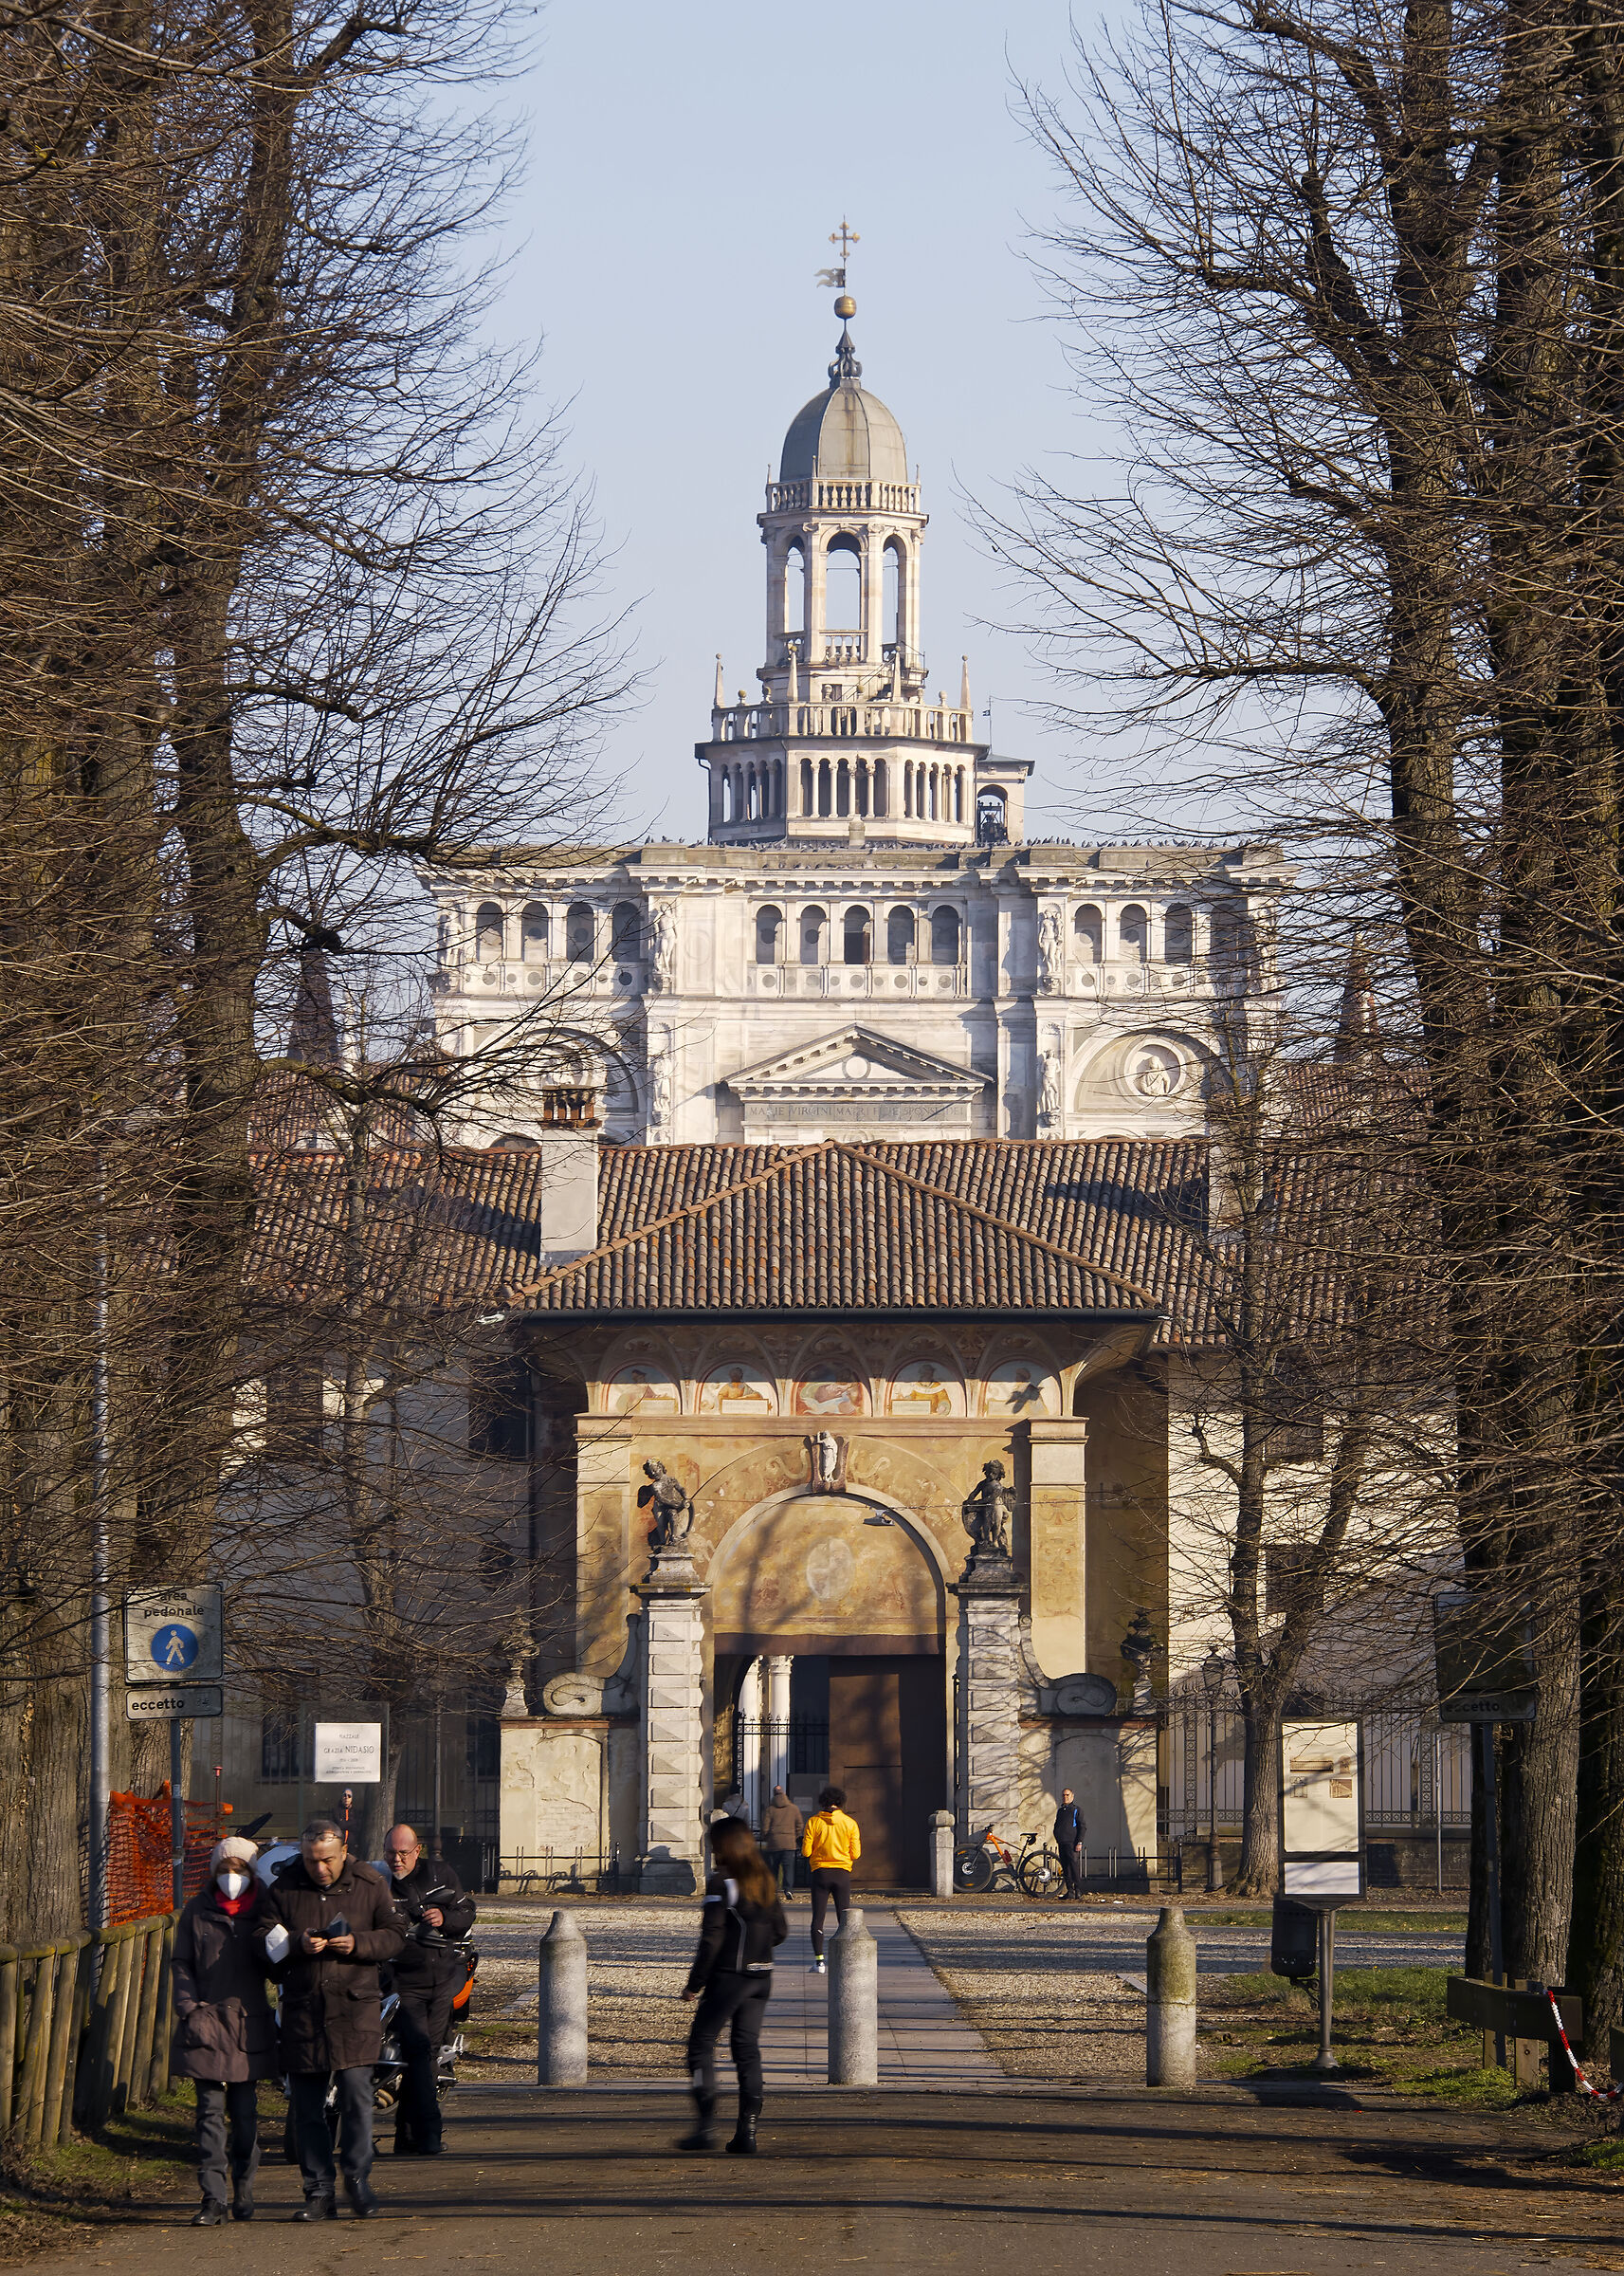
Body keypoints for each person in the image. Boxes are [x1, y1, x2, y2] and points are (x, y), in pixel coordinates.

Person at [258, 1816, 405, 2220]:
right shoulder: (284, 1888)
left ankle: (357, 2179)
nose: (319, 1868)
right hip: (304, 2012)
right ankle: (318, 2192)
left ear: (343, 1851)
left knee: (357, 2100)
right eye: (311, 1860)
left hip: (354, 2010)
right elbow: (262, 1938)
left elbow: (395, 1934)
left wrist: (357, 1943)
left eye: (326, 1859)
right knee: (307, 2109)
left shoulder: (370, 1884)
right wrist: (296, 1944)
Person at [171, 1837, 279, 2226]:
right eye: (224, 1869)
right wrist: (189, 2007)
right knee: (209, 2115)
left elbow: (277, 1967)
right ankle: (213, 2198)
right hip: (206, 2024)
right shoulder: (197, 1909)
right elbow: (181, 1961)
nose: (232, 1877)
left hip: (248, 2027)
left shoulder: (266, 1910)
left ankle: (244, 2187)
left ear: (251, 1871)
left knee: (245, 2116)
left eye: (239, 1869)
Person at [679, 1816, 786, 2157]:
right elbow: (780, 1931)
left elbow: (711, 1937)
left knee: (700, 2045)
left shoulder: (721, 1882)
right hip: (761, 1975)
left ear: (721, 1847)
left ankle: (705, 2127)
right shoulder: (764, 1879)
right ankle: (747, 2132)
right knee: (746, 2049)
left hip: (730, 1976)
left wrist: (695, 1983)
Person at [382, 1824, 476, 2157]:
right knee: (419, 2053)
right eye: (390, 1853)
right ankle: (425, 2135)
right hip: (401, 1981)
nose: (396, 1859)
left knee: (424, 2056)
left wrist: (444, 1917)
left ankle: (411, 2136)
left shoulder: (441, 1874)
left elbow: (467, 1913)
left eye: (403, 1853)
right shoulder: (378, 1883)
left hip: (440, 1979)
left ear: (417, 1851)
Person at [800, 1784, 860, 1974]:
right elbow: (856, 1853)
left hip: (821, 1872)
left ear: (823, 1802)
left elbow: (806, 1851)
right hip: (842, 1873)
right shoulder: (850, 1823)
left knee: (818, 1918)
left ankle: (819, 1962)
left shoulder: (813, 1822)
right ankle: (845, 1959)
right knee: (844, 1918)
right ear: (841, 1802)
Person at [761, 1786, 804, 1900]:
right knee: (788, 1869)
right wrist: (794, 1836)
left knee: (773, 1868)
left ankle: (772, 1890)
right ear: (784, 1793)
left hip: (774, 1843)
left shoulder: (770, 1809)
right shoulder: (794, 1808)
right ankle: (788, 1889)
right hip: (789, 1844)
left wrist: (767, 1837)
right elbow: (799, 1825)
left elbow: (765, 1827)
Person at [1053, 1788, 1086, 1900]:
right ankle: (1070, 1890)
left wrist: (1079, 1842)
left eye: (1067, 1795)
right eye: (1063, 1795)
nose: (1065, 1797)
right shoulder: (1060, 1811)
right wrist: (1057, 1835)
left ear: (1072, 1796)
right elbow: (1057, 1825)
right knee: (1065, 1867)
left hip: (1072, 1842)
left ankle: (1078, 1890)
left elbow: (1082, 1827)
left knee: (1073, 1866)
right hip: (1062, 1841)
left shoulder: (1076, 1810)